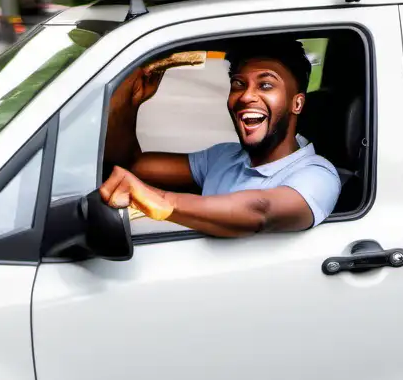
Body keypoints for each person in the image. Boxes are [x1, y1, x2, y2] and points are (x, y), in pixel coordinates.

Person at [99, 36, 341, 237]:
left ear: (296, 103)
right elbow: (131, 166)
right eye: (238, 84)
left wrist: (160, 200)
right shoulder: (224, 156)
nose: (246, 96)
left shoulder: (318, 174)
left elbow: (260, 212)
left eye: (265, 85)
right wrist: (130, 99)